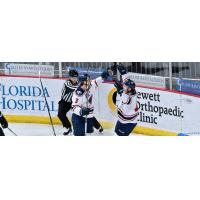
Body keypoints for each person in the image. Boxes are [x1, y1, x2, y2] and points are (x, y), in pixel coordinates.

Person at [71, 71, 109, 136]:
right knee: (80, 134)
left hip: (88, 114)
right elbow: (73, 107)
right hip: (78, 116)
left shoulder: (90, 85)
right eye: (87, 81)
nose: (90, 82)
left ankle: (98, 127)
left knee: (89, 132)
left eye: (89, 80)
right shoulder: (78, 93)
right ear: (82, 83)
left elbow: (96, 81)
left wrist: (102, 77)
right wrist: (81, 111)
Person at [114, 65, 139, 136]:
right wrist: (123, 73)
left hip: (129, 122)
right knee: (117, 131)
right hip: (122, 119)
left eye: (124, 86)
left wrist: (119, 90)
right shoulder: (129, 90)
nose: (123, 86)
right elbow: (126, 80)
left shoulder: (132, 98)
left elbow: (125, 99)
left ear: (129, 89)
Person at [57, 69, 79, 135]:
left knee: (80, 114)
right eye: (73, 77)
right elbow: (73, 88)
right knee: (60, 114)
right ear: (69, 77)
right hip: (64, 101)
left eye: (76, 77)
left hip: (72, 102)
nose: (74, 79)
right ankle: (69, 128)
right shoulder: (67, 83)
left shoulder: (78, 82)